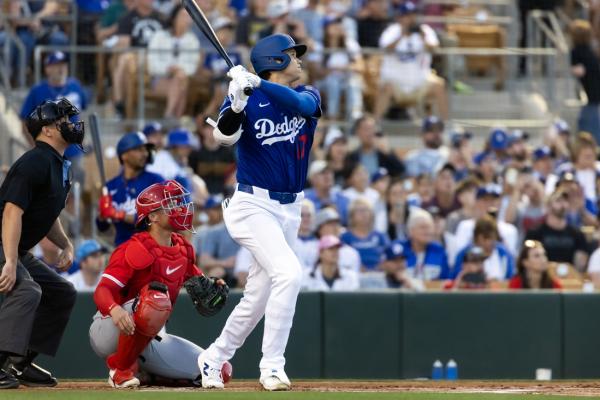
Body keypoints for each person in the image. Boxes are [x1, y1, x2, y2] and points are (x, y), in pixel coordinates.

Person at [197, 33, 321, 391]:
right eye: (291, 54)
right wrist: (235, 104)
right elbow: (223, 138)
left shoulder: (307, 93)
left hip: (290, 208)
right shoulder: (246, 95)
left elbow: (303, 108)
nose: (298, 59)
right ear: (274, 60)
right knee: (289, 273)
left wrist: (257, 86)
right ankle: (272, 367)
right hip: (252, 204)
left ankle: (214, 357)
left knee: (258, 298)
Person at [89, 180, 231, 388]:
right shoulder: (134, 248)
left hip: (151, 337)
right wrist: (115, 310)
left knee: (218, 369)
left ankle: (146, 374)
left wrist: (213, 287)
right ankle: (120, 370)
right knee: (155, 298)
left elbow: (200, 286)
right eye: (171, 204)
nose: (180, 208)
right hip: (111, 328)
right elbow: (102, 291)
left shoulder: (183, 249)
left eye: (178, 202)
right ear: (153, 216)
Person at [0, 99, 81, 389]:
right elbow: (12, 211)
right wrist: (10, 261)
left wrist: (66, 244)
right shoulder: (35, 160)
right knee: (27, 289)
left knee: (61, 292)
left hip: (13, 248)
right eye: (64, 121)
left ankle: (18, 364)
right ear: (47, 130)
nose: (72, 125)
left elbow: (47, 213)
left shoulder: (58, 164)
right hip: (4, 245)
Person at [375, 1, 448, 120]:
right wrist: (401, 36)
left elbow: (435, 49)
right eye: (407, 15)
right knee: (385, 87)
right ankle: (375, 124)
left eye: (413, 14)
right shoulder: (392, 30)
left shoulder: (424, 30)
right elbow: (385, 49)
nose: (410, 18)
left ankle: (446, 125)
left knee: (439, 85)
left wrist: (423, 38)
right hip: (396, 83)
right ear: (399, 17)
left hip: (420, 81)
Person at [97, 132, 164, 246]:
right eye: (138, 150)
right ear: (124, 155)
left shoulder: (155, 181)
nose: (144, 154)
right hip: (122, 249)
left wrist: (119, 214)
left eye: (145, 150)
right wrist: (103, 216)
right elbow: (102, 228)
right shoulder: (111, 186)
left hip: (151, 248)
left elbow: (157, 220)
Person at [147, 5, 200, 118]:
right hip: (160, 79)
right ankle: (175, 121)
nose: (185, 19)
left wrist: (178, 69)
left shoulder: (192, 40)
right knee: (181, 83)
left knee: (179, 79)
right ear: (174, 17)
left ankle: (169, 115)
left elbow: (192, 67)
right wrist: (168, 69)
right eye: (182, 16)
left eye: (188, 16)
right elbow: (152, 64)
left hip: (181, 78)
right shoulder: (159, 36)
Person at [525, 188, 589, 271]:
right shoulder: (535, 233)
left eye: (565, 201)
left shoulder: (577, 234)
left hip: (570, 279)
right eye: (558, 201)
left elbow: (580, 263)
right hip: (544, 278)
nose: (563, 205)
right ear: (548, 206)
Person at [194, 195, 240, 288]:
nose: (218, 212)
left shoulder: (247, 228)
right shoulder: (205, 231)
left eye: (219, 208)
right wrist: (225, 263)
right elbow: (200, 259)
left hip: (243, 269)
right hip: (220, 269)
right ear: (207, 211)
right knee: (217, 271)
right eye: (214, 209)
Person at [453, 216, 515, 282]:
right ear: (478, 237)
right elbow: (452, 279)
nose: (490, 242)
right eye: (486, 238)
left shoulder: (504, 253)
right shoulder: (464, 254)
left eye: (492, 238)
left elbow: (510, 279)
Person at [395, 207, 449, 281]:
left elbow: (445, 280)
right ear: (411, 230)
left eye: (430, 227)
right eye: (422, 227)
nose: (427, 231)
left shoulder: (439, 251)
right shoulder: (398, 250)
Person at [570, 19, 600, 142]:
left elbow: (579, 70)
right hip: (594, 93)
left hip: (591, 94)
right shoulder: (590, 51)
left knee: (589, 125)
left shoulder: (577, 51)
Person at [340, 198, 388, 271]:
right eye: (360, 211)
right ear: (352, 216)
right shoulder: (345, 237)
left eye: (366, 210)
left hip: (379, 274)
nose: (364, 214)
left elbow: (390, 255)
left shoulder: (380, 236)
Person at [147, 129, 196, 193]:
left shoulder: (181, 161)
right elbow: (150, 184)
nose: (188, 150)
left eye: (189, 146)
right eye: (184, 146)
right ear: (173, 147)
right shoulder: (160, 158)